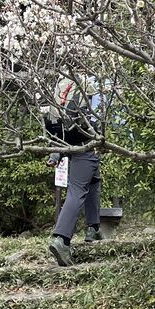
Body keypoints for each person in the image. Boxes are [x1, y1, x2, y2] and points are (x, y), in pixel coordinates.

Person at [44, 75, 103, 266]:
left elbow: (57, 126)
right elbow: (96, 117)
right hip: (85, 142)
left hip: (64, 139)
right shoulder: (89, 84)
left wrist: (55, 154)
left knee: (93, 179)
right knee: (76, 190)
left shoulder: (62, 83)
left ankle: (93, 228)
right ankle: (61, 239)